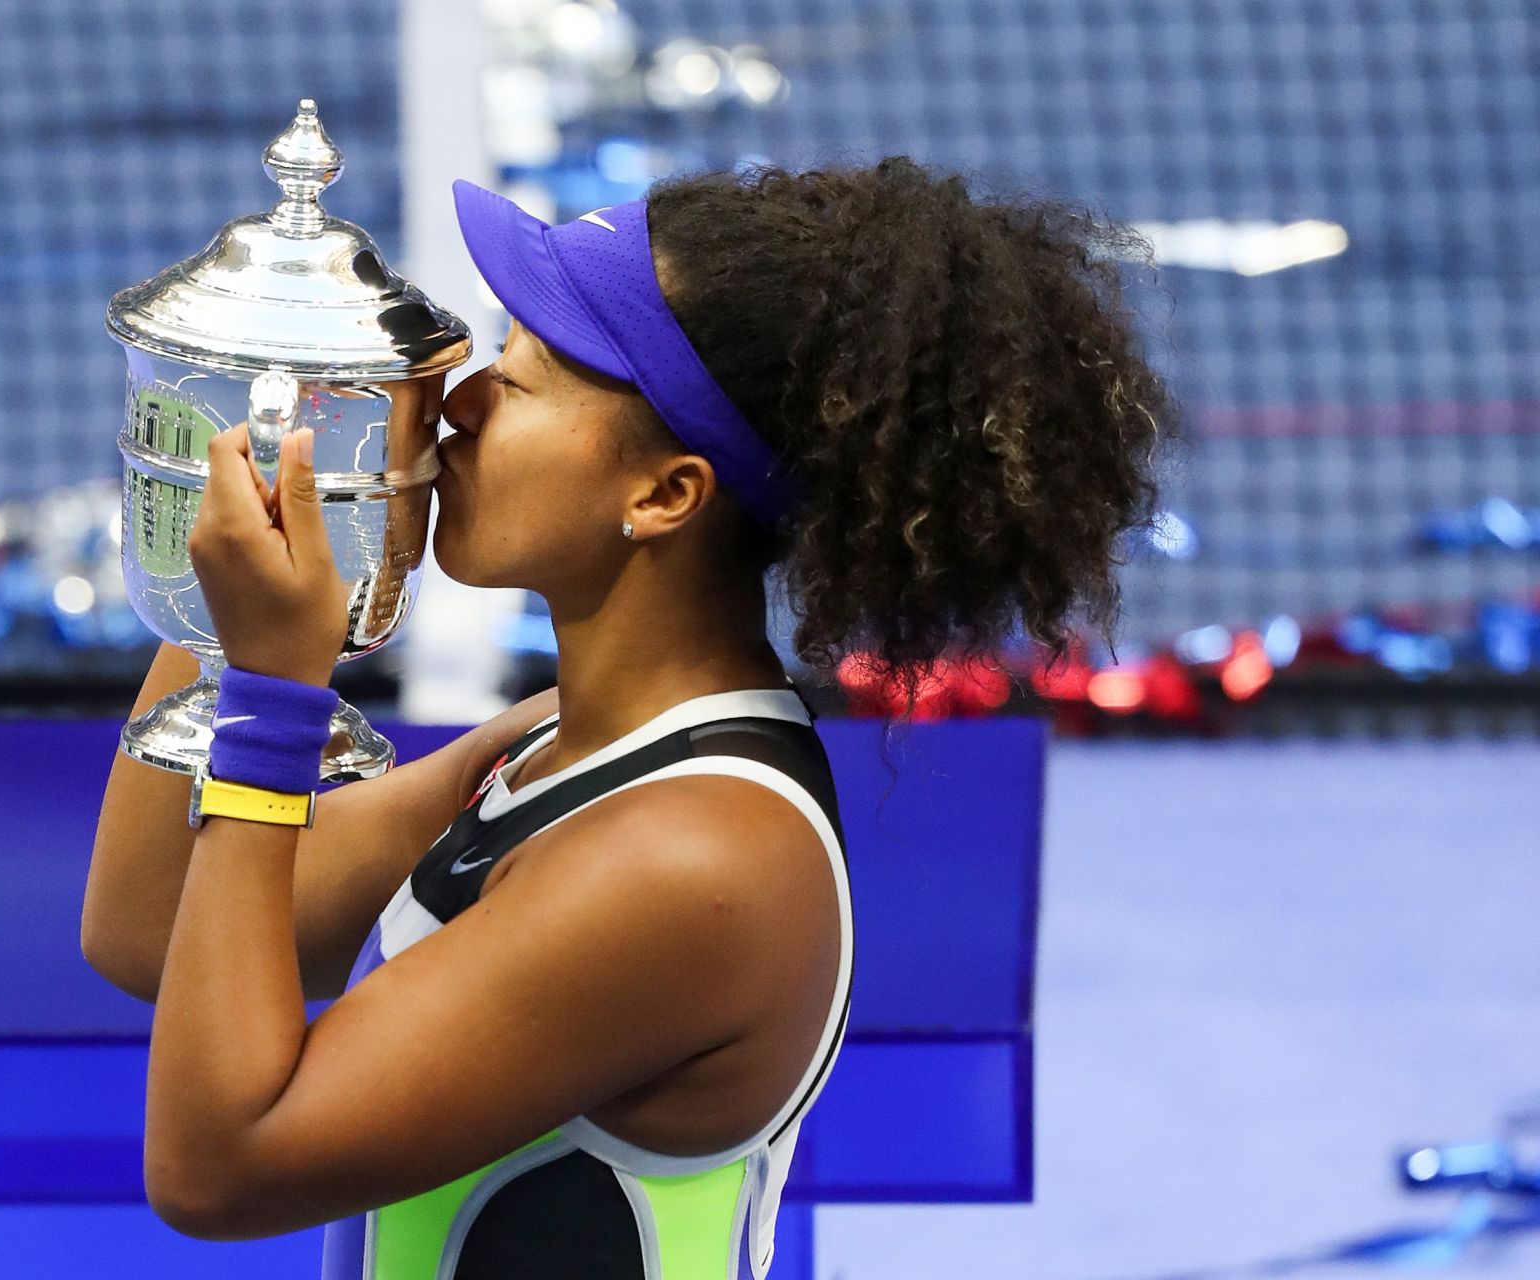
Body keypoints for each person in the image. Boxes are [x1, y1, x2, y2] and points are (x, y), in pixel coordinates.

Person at [82, 156, 1176, 1278]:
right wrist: (220, 558)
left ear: (664, 494)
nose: (454, 403)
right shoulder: (560, 740)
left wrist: (275, 692)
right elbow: (149, 923)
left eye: (522, 375)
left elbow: (220, 1165)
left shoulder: (688, 857)